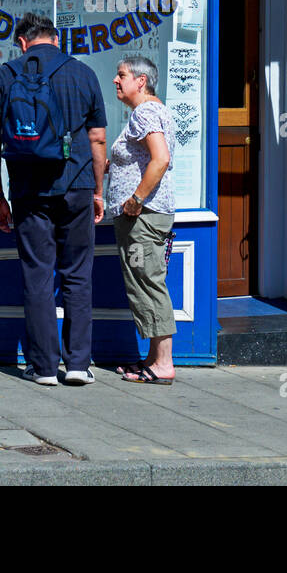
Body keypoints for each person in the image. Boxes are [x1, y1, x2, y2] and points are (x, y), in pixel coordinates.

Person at [0, 13, 108, 387]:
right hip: (78, 185)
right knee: (77, 274)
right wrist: (98, 188)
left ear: (22, 42)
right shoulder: (84, 74)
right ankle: (78, 365)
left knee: (38, 275)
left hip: (28, 189)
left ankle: (41, 367)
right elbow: (99, 138)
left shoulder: (5, 75)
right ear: (55, 39)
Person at [105, 55, 178, 385]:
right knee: (144, 281)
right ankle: (153, 358)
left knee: (147, 283)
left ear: (141, 81)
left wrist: (135, 200)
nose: (116, 81)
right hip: (146, 218)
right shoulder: (150, 111)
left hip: (144, 218)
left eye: (121, 75)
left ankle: (163, 363)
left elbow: (159, 159)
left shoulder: (146, 111)